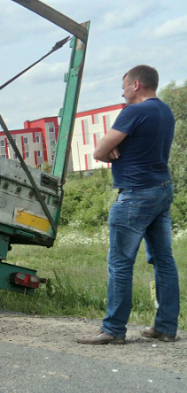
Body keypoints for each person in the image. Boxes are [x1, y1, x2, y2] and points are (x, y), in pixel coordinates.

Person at [77, 65, 180, 345]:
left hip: (135, 194)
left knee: (120, 263)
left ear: (136, 84)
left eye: (124, 86)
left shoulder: (133, 112)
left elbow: (99, 151)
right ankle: (167, 327)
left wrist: (111, 154)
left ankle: (113, 329)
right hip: (162, 190)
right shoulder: (165, 111)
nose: (121, 91)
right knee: (164, 261)